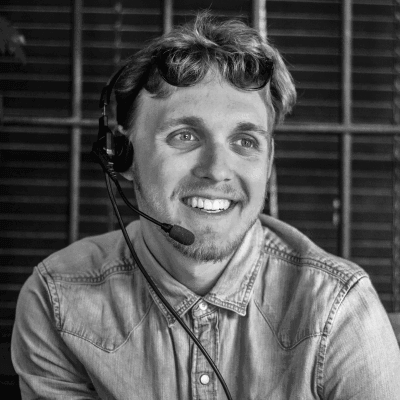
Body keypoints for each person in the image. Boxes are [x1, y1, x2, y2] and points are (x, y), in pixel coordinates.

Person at [12, 12, 400, 400]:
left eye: (245, 142)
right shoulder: (57, 301)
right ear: (122, 155)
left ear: (268, 161)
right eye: (184, 136)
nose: (216, 170)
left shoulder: (339, 309)